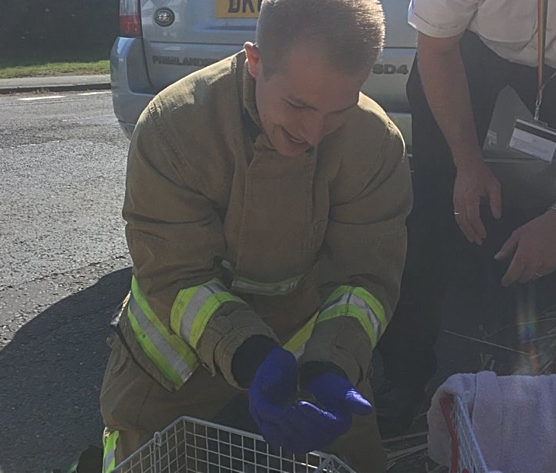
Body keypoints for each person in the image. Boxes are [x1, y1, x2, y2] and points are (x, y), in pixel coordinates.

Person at [99, 0, 412, 471]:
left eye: (338, 111)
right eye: (298, 105)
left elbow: (366, 278)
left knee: (359, 457)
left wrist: (333, 365)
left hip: (311, 342)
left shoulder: (378, 144)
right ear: (254, 59)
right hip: (173, 352)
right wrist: (251, 355)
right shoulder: (174, 125)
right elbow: (175, 274)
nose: (313, 132)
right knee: (142, 458)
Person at [375, 0, 556, 436]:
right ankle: (404, 378)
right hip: (465, 54)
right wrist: (466, 164)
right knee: (432, 209)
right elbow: (437, 48)